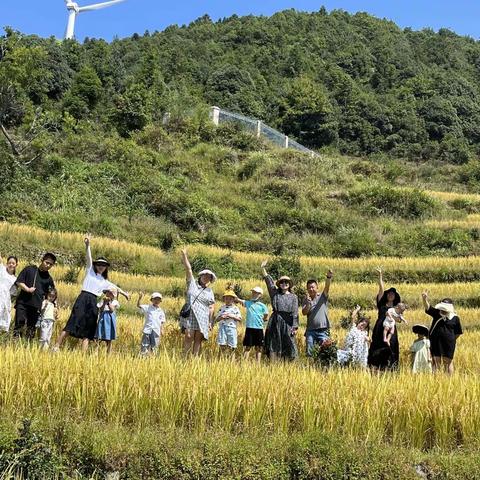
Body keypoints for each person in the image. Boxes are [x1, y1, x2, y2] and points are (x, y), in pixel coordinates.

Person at [53, 235, 128, 352]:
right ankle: (56, 346)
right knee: (73, 321)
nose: (101, 267)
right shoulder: (89, 271)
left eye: (103, 266)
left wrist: (125, 294)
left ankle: (83, 354)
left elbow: (116, 287)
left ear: (106, 268)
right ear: (96, 265)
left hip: (93, 301)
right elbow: (89, 257)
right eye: (99, 265)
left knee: (89, 328)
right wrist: (88, 245)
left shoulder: (105, 281)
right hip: (83, 298)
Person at [180, 248, 216, 356]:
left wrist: (210, 321)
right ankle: (184, 358)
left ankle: (195, 361)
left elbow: (211, 307)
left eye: (209, 277)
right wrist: (185, 255)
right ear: (200, 275)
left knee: (198, 339)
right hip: (191, 314)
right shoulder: (192, 284)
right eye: (205, 275)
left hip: (203, 316)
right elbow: (189, 270)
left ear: (210, 279)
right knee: (189, 336)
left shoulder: (210, 291)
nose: (206, 278)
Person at [261, 260, 299, 361]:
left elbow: (295, 313)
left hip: (288, 322)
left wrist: (295, 327)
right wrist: (263, 268)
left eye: (286, 282)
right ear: (279, 284)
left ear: (289, 284)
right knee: (274, 342)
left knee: (289, 342)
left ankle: (288, 366)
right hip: (275, 321)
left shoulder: (294, 297)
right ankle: (274, 365)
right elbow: (269, 282)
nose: (284, 284)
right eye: (282, 282)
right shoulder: (275, 294)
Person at [14, 253, 56, 339]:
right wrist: (27, 289)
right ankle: (15, 344)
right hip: (23, 302)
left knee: (31, 329)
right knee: (19, 323)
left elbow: (52, 294)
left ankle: (27, 347)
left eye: (50, 264)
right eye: (46, 262)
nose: (48, 265)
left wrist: (55, 307)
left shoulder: (49, 278)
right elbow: (19, 281)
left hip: (36, 306)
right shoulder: (29, 269)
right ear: (42, 260)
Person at [368, 268, 401, 370]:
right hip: (380, 328)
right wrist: (380, 275)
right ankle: (375, 367)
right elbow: (381, 289)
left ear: (395, 297)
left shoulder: (396, 308)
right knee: (378, 345)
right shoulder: (381, 304)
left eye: (393, 294)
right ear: (386, 295)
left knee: (392, 345)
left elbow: (399, 319)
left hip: (391, 329)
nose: (391, 295)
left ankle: (390, 368)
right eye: (389, 293)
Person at [422, 291, 462, 374]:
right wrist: (424, 299)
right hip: (435, 341)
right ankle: (436, 381)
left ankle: (449, 381)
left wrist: (450, 339)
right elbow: (428, 307)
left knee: (448, 361)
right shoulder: (436, 313)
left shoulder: (455, 318)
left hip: (449, 343)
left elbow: (458, 332)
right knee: (436, 361)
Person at [301, 272, 333, 357]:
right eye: (309, 288)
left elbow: (327, 287)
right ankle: (310, 368)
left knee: (326, 351)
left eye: (312, 287)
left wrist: (328, 277)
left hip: (323, 330)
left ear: (317, 287)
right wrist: (308, 303)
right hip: (310, 331)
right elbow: (304, 313)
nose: (311, 289)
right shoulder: (306, 299)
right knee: (310, 353)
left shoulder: (322, 297)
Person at [236, 287, 268, 362]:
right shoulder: (248, 303)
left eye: (256, 293)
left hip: (259, 328)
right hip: (249, 328)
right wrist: (231, 291)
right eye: (253, 292)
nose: (254, 294)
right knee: (248, 346)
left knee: (259, 347)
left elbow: (266, 315)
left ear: (260, 295)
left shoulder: (263, 305)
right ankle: (244, 363)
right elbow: (238, 300)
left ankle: (258, 364)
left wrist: (263, 320)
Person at [137, 291, 166, 355]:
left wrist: (162, 329)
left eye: (158, 299)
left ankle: (153, 358)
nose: (156, 301)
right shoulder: (147, 307)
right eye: (155, 299)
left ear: (160, 301)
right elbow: (139, 305)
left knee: (155, 345)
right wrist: (140, 298)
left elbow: (162, 322)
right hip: (147, 329)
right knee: (145, 345)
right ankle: (143, 357)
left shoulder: (161, 311)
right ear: (151, 300)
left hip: (156, 330)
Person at [95, 287, 120, 354]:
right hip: (102, 320)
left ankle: (108, 353)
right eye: (107, 293)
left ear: (112, 295)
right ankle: (95, 352)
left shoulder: (115, 302)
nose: (107, 294)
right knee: (99, 337)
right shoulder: (102, 301)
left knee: (109, 339)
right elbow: (101, 310)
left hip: (110, 321)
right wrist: (104, 303)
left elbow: (112, 310)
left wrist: (108, 303)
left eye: (109, 293)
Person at [0, 254, 18, 333]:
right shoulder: (2, 269)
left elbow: (14, 293)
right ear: (7, 263)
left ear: (16, 265)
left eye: (13, 263)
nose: (11, 264)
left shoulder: (15, 279)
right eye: (9, 263)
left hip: (5, 298)